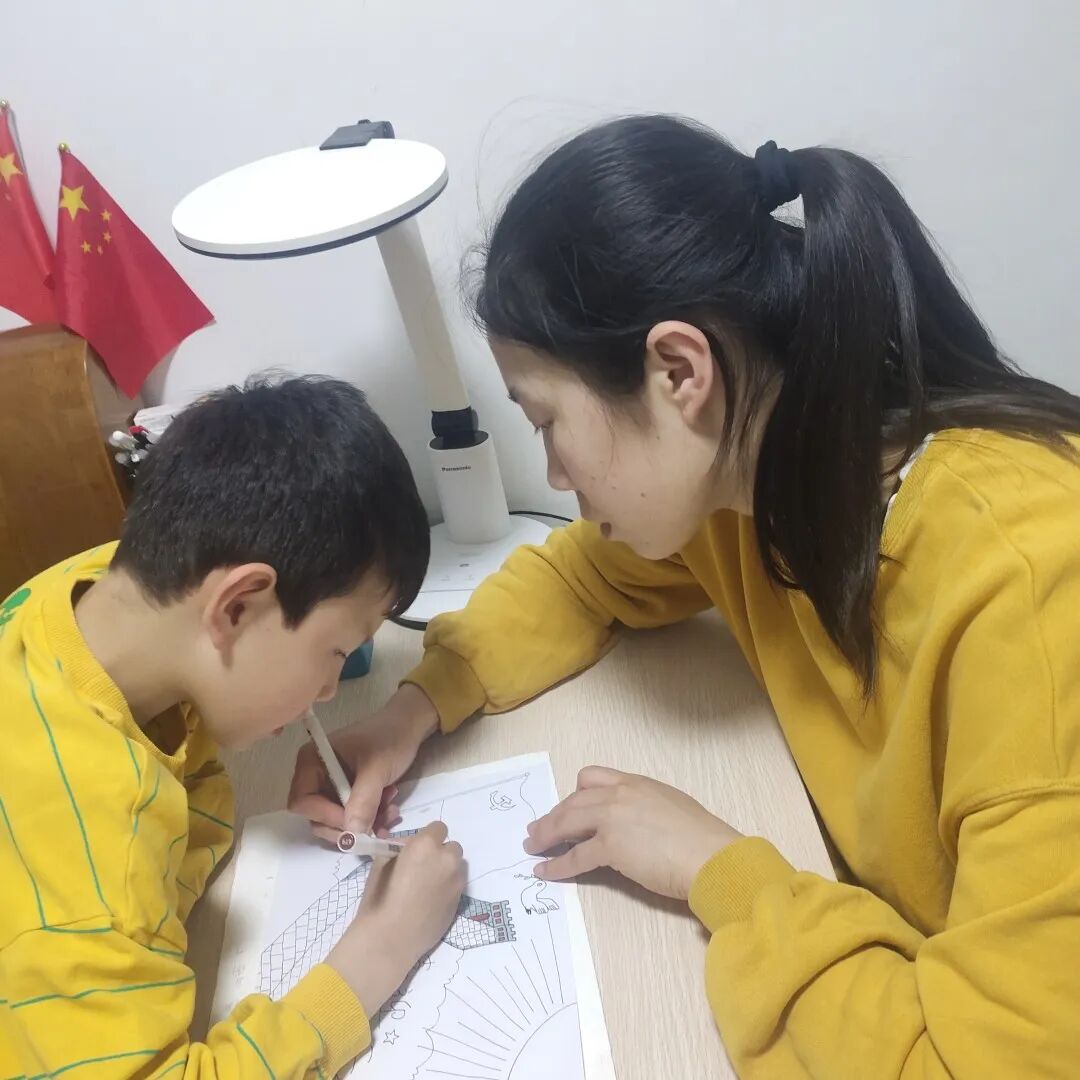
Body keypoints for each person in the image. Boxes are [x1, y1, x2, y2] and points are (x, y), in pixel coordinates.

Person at [289, 116, 1080, 1077]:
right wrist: (414, 710)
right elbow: (580, 578)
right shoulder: (757, 482)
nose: (557, 476)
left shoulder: (1031, 596)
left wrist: (717, 870)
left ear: (679, 372)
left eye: (546, 422)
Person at [0, 377, 467, 1078]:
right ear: (238, 606)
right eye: (336, 653)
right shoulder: (93, 858)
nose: (328, 692)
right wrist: (379, 951)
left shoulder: (95, 588)